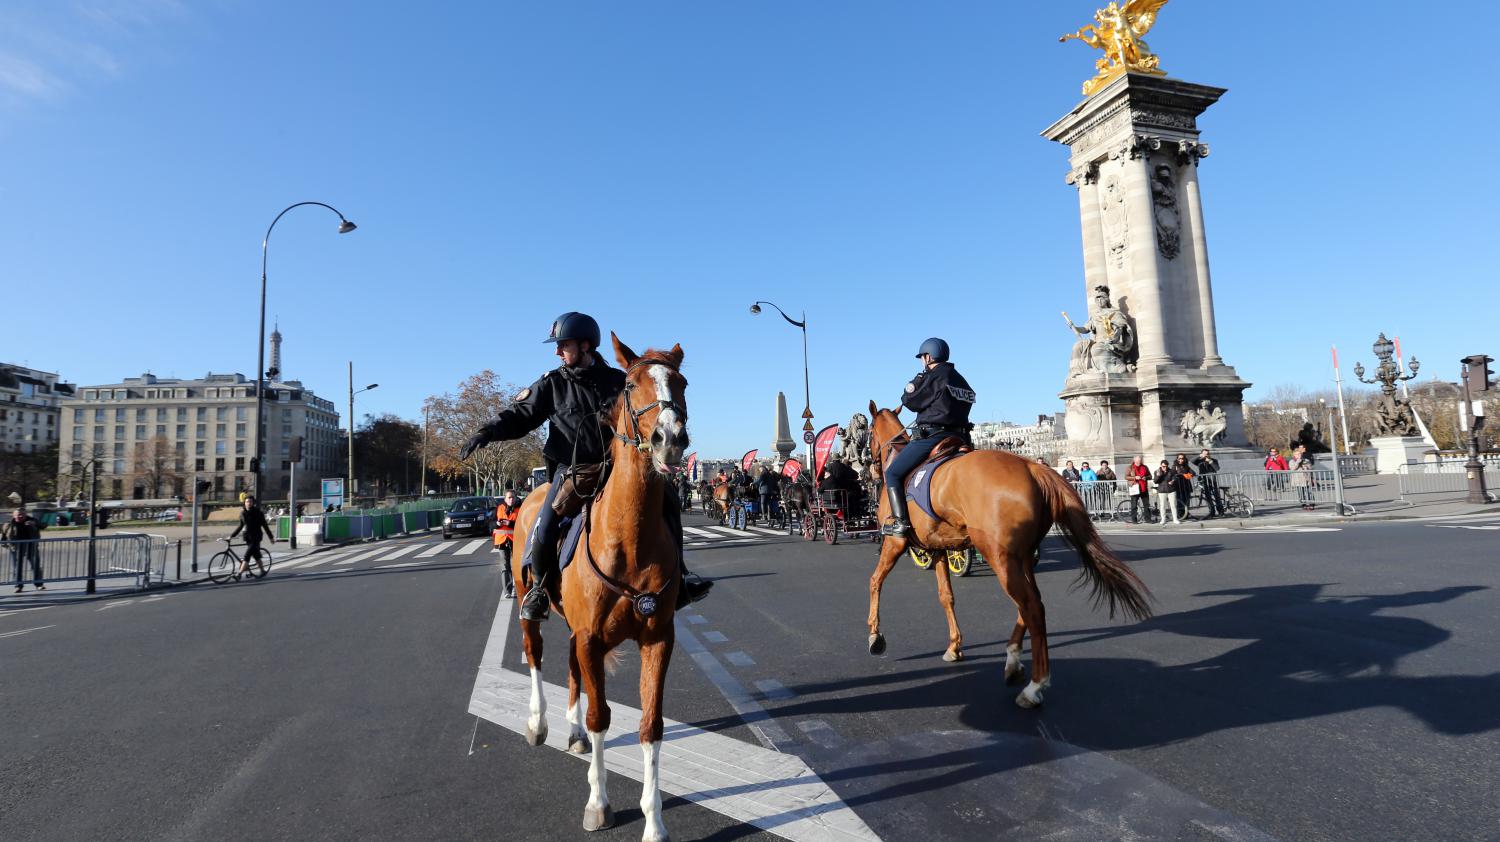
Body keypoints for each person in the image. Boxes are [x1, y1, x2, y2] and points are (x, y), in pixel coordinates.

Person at [460, 311, 710, 622]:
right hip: (573, 471)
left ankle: (681, 577)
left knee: (669, 503)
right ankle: (538, 588)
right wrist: (488, 431)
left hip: (617, 466)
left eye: (562, 344)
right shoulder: (551, 384)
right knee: (545, 522)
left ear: (585, 345)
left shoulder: (621, 382)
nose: (557, 351)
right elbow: (520, 414)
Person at [882, 337, 976, 536]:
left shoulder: (934, 376)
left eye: (922, 358)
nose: (921, 362)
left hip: (933, 436)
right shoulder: (961, 379)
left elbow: (909, 401)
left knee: (892, 473)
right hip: (962, 438)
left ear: (928, 356)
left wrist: (919, 378)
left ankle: (901, 523)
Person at [228, 496, 276, 576]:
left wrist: (271, 537)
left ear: (253, 503)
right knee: (256, 554)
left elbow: (265, 526)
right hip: (248, 537)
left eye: (250, 502)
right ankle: (262, 570)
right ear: (244, 503)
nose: (248, 503)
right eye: (247, 502)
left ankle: (239, 573)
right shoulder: (243, 513)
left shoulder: (258, 513)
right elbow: (240, 526)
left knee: (247, 555)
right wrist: (231, 536)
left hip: (256, 537)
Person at [3, 508, 46, 593]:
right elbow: (4, 536)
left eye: (22, 514)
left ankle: (39, 584)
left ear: (26, 514)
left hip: (31, 546)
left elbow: (44, 526)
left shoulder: (32, 520)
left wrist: (35, 523)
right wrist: (6, 544)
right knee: (17, 567)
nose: (20, 516)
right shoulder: (9, 524)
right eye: (18, 514)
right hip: (16, 548)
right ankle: (18, 586)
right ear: (14, 515)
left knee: (35, 565)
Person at [494, 489, 522, 598]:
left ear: (515, 498)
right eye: (509, 497)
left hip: (516, 540)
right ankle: (507, 591)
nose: (511, 499)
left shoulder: (520, 509)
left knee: (516, 565)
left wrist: (509, 523)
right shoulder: (499, 508)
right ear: (505, 499)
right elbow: (491, 523)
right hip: (502, 540)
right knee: (505, 566)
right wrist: (496, 523)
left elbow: (522, 524)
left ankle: (518, 589)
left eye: (512, 497)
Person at [1192, 448, 1225, 518]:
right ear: (1202, 454)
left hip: (1213, 481)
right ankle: (1212, 512)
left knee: (1217, 497)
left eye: (1207, 454)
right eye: (1204, 454)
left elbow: (1217, 468)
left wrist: (1210, 461)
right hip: (1204, 481)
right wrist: (1199, 456)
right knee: (1208, 498)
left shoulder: (1213, 460)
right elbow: (1192, 461)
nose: (1206, 455)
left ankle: (1221, 512)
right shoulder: (1199, 461)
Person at [1289, 444, 1317, 510]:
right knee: (1301, 493)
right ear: (1294, 455)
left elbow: (1310, 468)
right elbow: (1293, 468)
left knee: (1309, 492)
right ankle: (1303, 504)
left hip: (1306, 479)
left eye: (1299, 454)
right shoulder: (1292, 461)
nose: (1298, 455)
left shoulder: (1306, 460)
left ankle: (1311, 504)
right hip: (1298, 480)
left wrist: (1306, 465)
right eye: (1297, 454)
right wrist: (1298, 462)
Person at [1153, 460, 1181, 525]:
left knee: (1173, 505)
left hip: (1171, 490)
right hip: (1162, 490)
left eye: (1166, 466)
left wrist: (1173, 481)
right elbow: (1155, 481)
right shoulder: (1157, 472)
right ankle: (1163, 519)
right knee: (1162, 505)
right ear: (1160, 465)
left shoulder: (1171, 471)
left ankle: (1175, 519)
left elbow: (1175, 478)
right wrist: (1158, 475)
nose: (1164, 468)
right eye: (1163, 466)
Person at [1125, 456, 1151, 524]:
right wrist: (1134, 477)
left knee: (1146, 505)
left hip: (1143, 488)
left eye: (1140, 461)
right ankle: (1134, 520)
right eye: (1137, 462)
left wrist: (1146, 477)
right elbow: (1126, 477)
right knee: (1134, 505)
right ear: (1134, 461)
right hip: (1135, 487)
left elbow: (1150, 476)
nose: (1139, 463)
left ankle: (1148, 519)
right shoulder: (1130, 467)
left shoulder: (1145, 467)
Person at [1172, 453, 1195, 520]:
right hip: (1179, 486)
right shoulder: (1175, 466)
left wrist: (1188, 475)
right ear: (1177, 459)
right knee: (1180, 500)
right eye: (1179, 458)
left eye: (1182, 458)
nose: (1181, 460)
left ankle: (1186, 514)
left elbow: (1193, 473)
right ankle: (1180, 514)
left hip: (1186, 485)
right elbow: (1172, 474)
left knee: (1187, 500)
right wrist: (1183, 475)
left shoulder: (1186, 466)